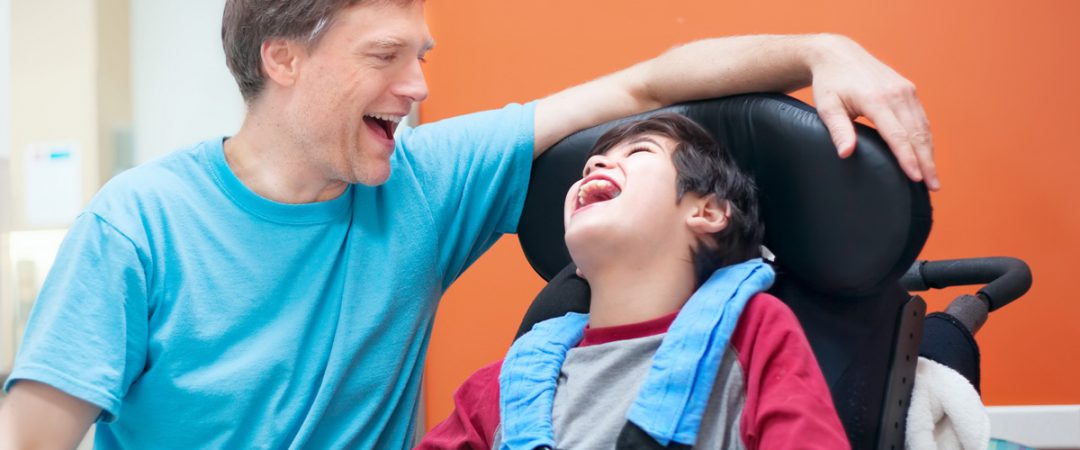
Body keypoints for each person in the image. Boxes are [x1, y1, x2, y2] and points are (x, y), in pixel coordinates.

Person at [0, 0, 935, 448]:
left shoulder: (426, 181)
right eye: (386, 56)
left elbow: (648, 85)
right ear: (283, 59)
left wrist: (824, 48)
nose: (419, 87)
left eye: (424, 54)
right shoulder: (138, 227)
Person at [415, 113, 847, 450]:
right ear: (575, 261)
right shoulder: (507, 384)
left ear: (708, 213)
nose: (595, 163)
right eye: (591, 164)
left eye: (639, 152)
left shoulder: (751, 332)